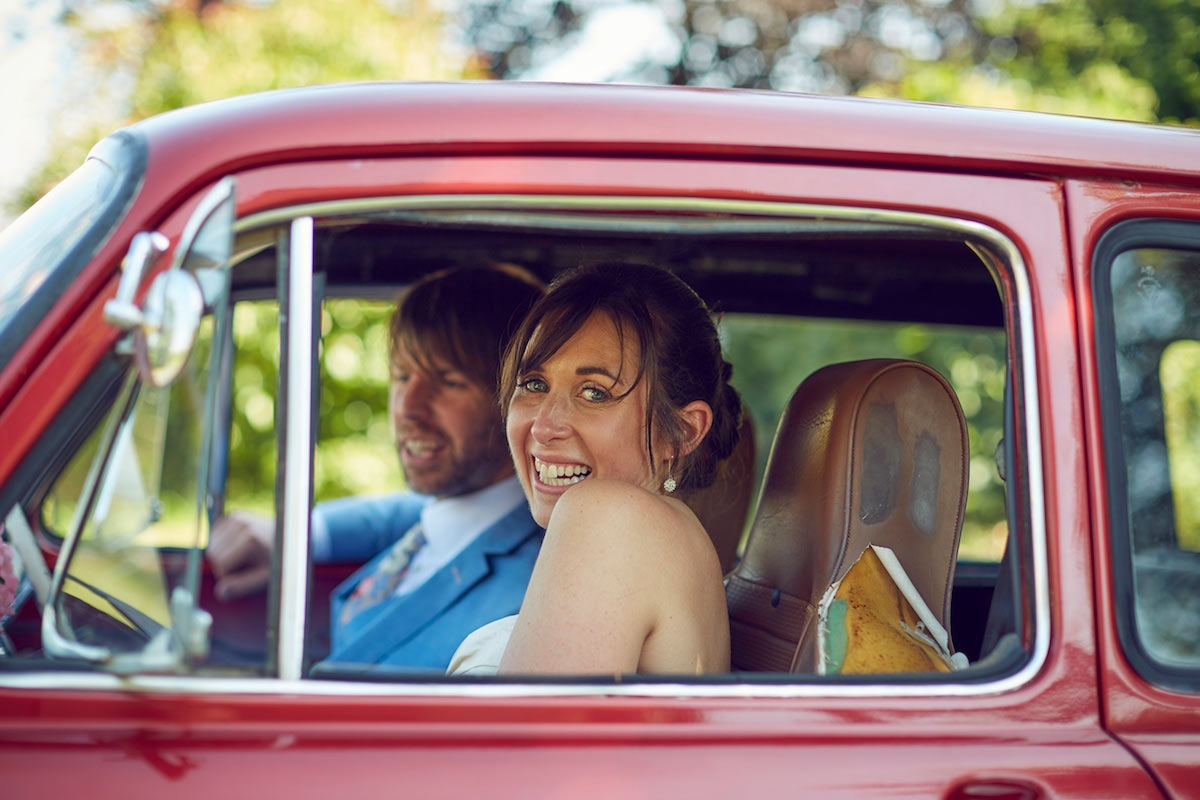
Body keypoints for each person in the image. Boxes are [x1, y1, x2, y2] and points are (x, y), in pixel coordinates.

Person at [207, 264, 546, 670]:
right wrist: (295, 534)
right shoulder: (444, 517)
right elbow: (395, 514)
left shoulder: (536, 591)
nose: (408, 409)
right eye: (401, 376)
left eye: (450, 381)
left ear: (518, 399)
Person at [448, 263, 741, 676]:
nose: (545, 427)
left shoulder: (611, 516)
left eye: (594, 393)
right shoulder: (666, 540)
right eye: (533, 384)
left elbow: (531, 739)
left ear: (682, 433)